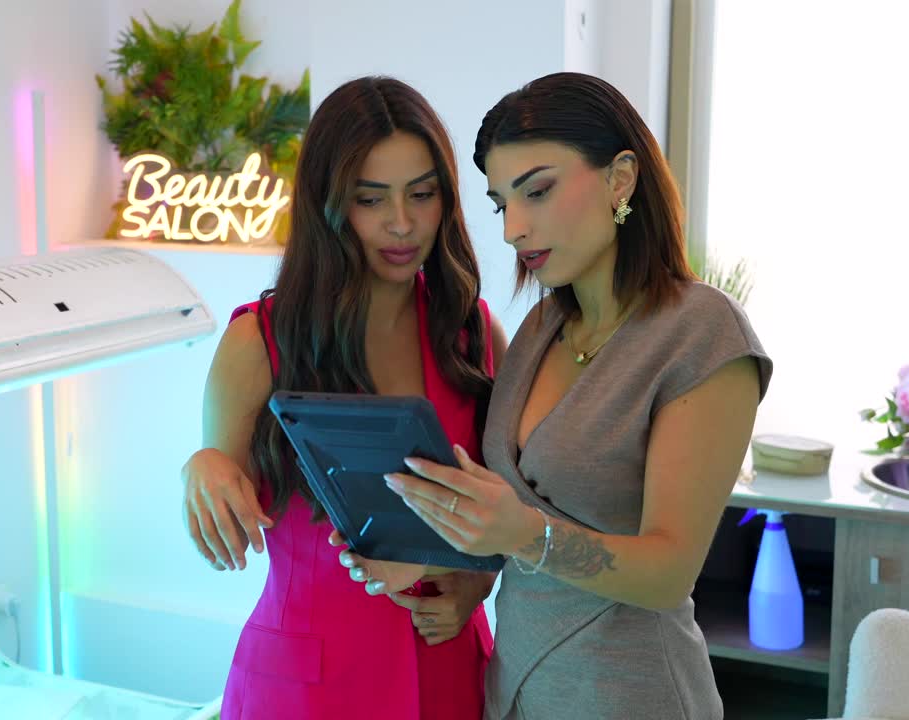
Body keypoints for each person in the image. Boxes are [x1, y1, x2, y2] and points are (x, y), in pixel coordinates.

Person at [335, 72, 774, 719]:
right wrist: (431, 559)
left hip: (631, 694)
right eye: (500, 203)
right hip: (514, 690)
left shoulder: (702, 333)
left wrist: (520, 532)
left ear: (620, 179)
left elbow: (669, 571)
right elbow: (512, 526)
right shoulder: (541, 329)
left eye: (537, 191)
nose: (513, 228)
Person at [180, 76, 508, 719]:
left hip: (446, 666)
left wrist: (475, 585)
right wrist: (200, 467)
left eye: (422, 193)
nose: (402, 223)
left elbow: (513, 510)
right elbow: (221, 513)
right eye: (370, 199)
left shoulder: (473, 333)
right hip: (303, 686)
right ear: (329, 205)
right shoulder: (259, 340)